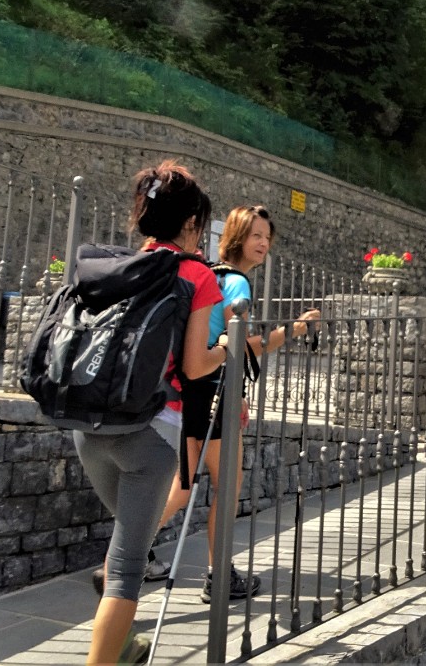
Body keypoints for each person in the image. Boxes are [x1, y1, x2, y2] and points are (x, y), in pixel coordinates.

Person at [78, 161, 227, 666]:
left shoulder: (116, 265)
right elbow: (194, 364)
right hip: (152, 434)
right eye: (201, 224)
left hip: (90, 424)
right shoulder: (196, 275)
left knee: (127, 540)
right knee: (125, 570)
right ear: (190, 224)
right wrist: (227, 347)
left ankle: (121, 648)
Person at [157, 204, 320, 603]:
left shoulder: (208, 274)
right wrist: (293, 330)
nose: (263, 243)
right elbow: (242, 347)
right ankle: (217, 575)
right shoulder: (238, 285)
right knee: (225, 485)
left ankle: (127, 555)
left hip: (191, 388)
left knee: (185, 482)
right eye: (255, 236)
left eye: (267, 236)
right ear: (236, 238)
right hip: (213, 389)